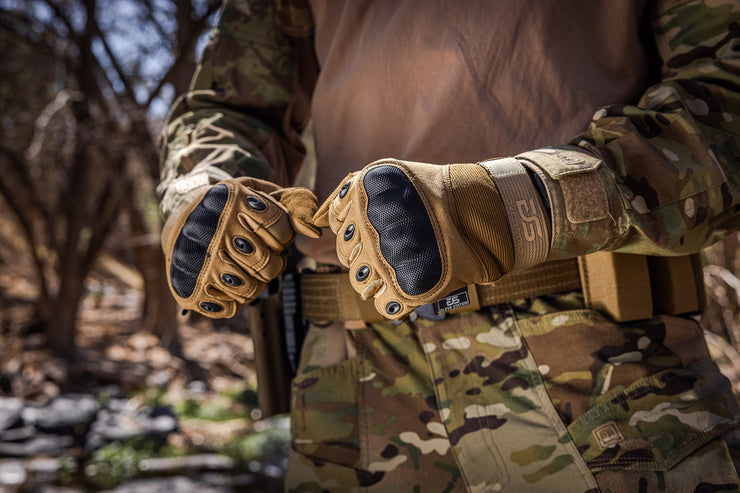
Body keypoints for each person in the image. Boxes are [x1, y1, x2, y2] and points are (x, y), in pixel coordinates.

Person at [157, 0, 740, 490]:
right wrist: (201, 191)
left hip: (595, 362)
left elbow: (725, 102)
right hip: (348, 382)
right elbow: (225, 106)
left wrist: (509, 204)